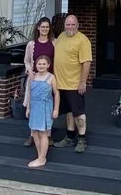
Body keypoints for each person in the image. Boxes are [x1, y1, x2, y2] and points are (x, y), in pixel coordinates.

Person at [52, 13, 92, 153]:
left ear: (77, 25)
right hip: (60, 84)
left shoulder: (83, 40)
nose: (70, 27)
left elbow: (86, 63)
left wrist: (83, 82)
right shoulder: (62, 37)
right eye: (67, 24)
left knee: (78, 112)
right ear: (64, 25)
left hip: (74, 84)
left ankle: (82, 139)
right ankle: (70, 136)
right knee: (69, 111)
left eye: (73, 24)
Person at [22, 17, 56, 146]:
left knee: (47, 106)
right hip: (35, 79)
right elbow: (26, 60)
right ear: (38, 28)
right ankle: (32, 134)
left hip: (48, 80)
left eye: (47, 27)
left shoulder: (54, 43)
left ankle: (48, 135)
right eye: (43, 27)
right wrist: (30, 71)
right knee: (34, 106)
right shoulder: (31, 44)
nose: (45, 29)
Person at [23, 54, 58, 168]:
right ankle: (40, 156)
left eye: (44, 64)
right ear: (36, 65)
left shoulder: (51, 77)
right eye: (39, 64)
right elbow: (29, 93)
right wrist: (28, 107)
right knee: (34, 132)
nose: (41, 66)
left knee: (43, 133)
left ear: (48, 65)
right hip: (34, 106)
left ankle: (42, 158)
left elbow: (56, 94)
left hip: (45, 107)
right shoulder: (32, 77)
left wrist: (56, 109)